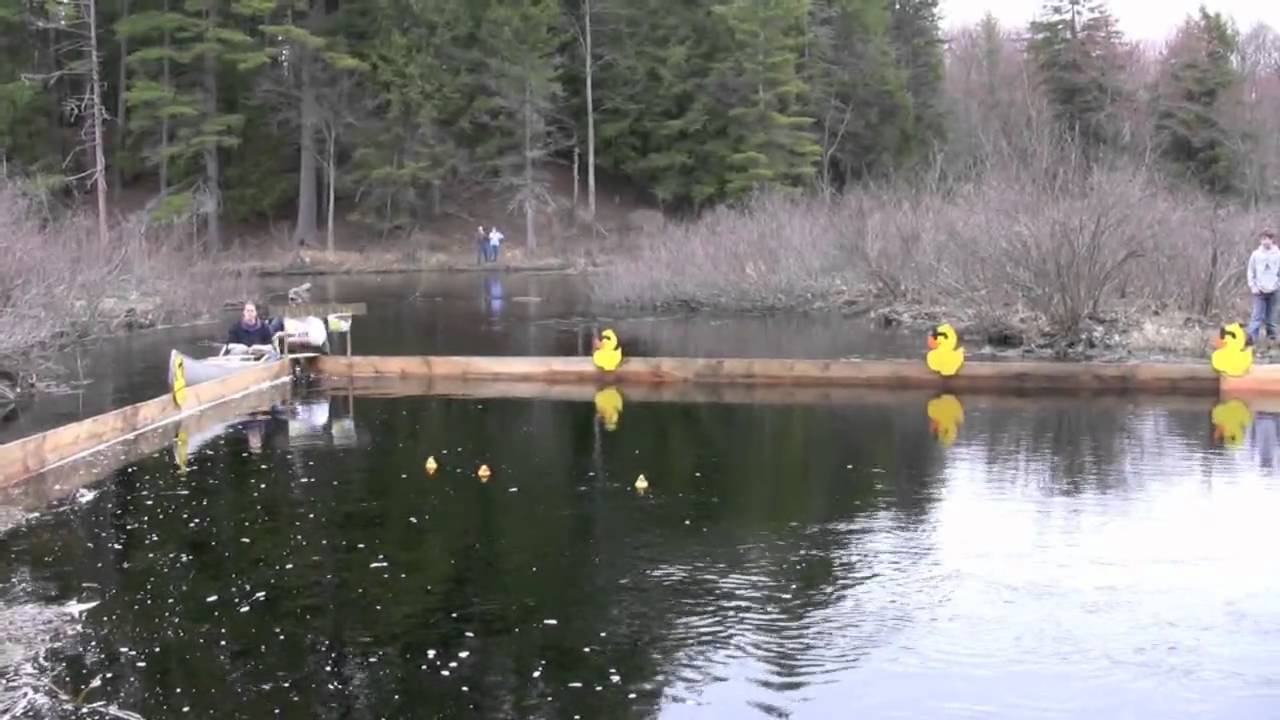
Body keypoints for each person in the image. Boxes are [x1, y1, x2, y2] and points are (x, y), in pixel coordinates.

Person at [1247, 229, 1280, 344]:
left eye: (1267, 239)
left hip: (1274, 290)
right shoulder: (1256, 255)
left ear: (1272, 240)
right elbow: (1250, 271)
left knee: (1271, 318)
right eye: (1262, 239)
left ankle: (1271, 341)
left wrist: (1277, 284)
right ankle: (1251, 341)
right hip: (1259, 291)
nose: (1264, 242)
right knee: (1256, 317)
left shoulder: (1278, 254)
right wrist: (1253, 286)